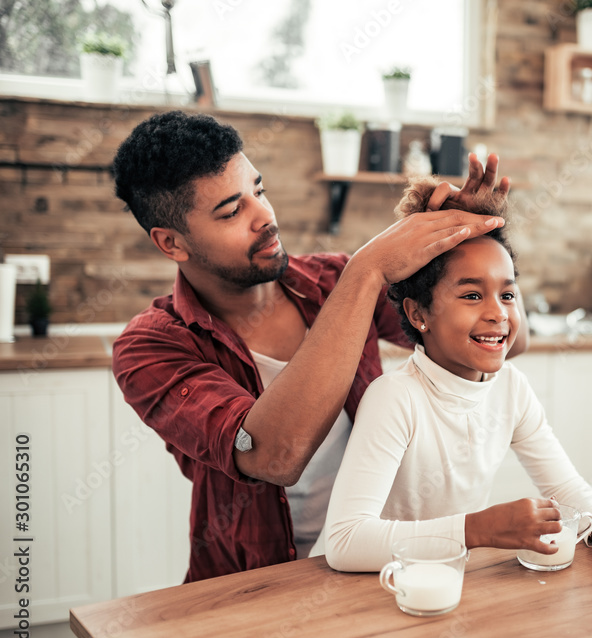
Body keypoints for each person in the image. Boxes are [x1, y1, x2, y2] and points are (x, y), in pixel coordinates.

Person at [111, 110, 522, 582]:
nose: (264, 217)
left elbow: (508, 342)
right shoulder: (151, 348)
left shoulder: (332, 279)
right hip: (256, 583)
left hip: (382, 565)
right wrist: (367, 272)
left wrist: (480, 240)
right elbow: (272, 456)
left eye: (259, 191)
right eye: (231, 211)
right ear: (171, 242)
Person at [314, 177, 592, 584]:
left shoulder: (511, 388)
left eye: (507, 295)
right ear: (419, 313)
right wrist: (480, 529)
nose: (499, 314)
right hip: (370, 587)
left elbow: (562, 483)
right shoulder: (395, 398)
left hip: (445, 581)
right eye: (473, 296)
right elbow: (346, 542)